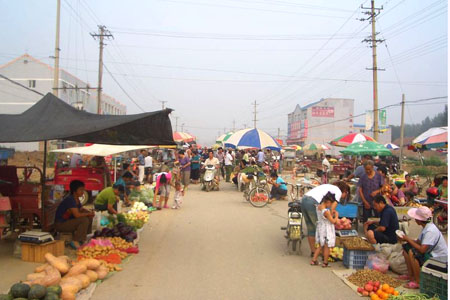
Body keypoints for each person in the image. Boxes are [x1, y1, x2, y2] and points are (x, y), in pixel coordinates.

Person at [399, 206, 448, 289]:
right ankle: (411, 275)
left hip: (437, 257)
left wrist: (407, 238)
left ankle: (418, 282)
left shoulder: (430, 230)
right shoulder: (425, 227)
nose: (415, 219)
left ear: (419, 220)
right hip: (429, 252)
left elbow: (422, 249)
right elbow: (418, 242)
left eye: (415, 218)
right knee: (406, 248)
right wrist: (406, 239)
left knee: (413, 253)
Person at [301, 182, 350, 257]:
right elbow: (333, 208)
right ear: (345, 191)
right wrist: (335, 218)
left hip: (304, 200)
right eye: (345, 195)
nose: (343, 197)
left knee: (311, 228)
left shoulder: (329, 187)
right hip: (312, 202)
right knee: (319, 228)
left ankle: (313, 252)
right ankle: (321, 253)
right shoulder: (338, 191)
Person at [54, 180, 94, 249]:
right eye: (80, 190)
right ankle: (76, 241)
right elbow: (77, 215)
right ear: (74, 191)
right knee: (84, 220)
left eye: (83, 189)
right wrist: (88, 213)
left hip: (68, 222)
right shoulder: (70, 199)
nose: (82, 191)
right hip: (61, 224)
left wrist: (89, 212)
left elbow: (81, 209)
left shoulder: (77, 199)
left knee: (89, 217)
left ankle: (84, 237)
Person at [310, 192, 339, 267]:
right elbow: (333, 221)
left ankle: (314, 260)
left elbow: (325, 218)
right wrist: (336, 216)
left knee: (320, 245)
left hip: (320, 228)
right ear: (328, 202)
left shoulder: (319, 207)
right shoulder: (326, 211)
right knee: (327, 246)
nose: (331, 206)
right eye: (331, 204)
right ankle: (325, 262)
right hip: (326, 229)